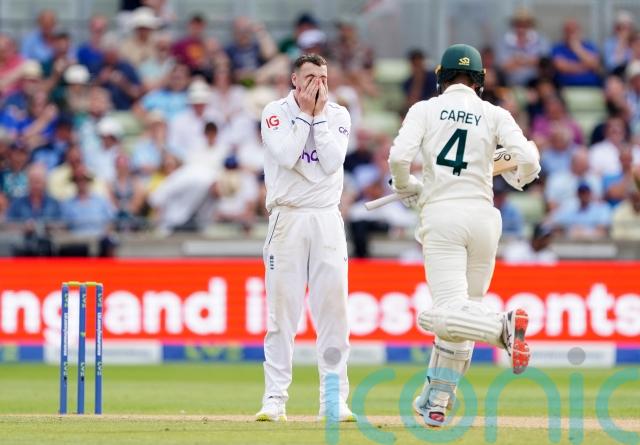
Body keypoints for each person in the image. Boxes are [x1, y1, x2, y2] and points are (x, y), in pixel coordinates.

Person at [387, 44, 540, 427]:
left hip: (443, 216)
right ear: (480, 80)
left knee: (439, 315)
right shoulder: (495, 113)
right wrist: (519, 179)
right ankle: (437, 401)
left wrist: (406, 187)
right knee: (464, 311)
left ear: (441, 77)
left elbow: (398, 159)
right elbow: (529, 160)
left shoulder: (424, 109)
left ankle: (501, 327)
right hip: (485, 219)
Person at [256, 54, 354, 423]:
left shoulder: (339, 114)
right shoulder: (274, 112)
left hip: (326, 218)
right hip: (288, 217)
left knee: (334, 313)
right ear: (295, 80)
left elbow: (331, 161)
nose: (318, 84)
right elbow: (286, 154)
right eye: (311, 77)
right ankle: (274, 400)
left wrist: (319, 116)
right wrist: (305, 115)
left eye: (323, 78)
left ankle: (333, 401)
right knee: (282, 314)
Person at [551, 19, 602, 87]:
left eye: (573, 30)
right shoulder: (558, 48)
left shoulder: (590, 46)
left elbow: (595, 64)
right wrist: (586, 67)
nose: (571, 34)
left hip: (590, 85)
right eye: (568, 31)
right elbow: (561, 67)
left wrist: (577, 49)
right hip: (565, 85)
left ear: (579, 31)